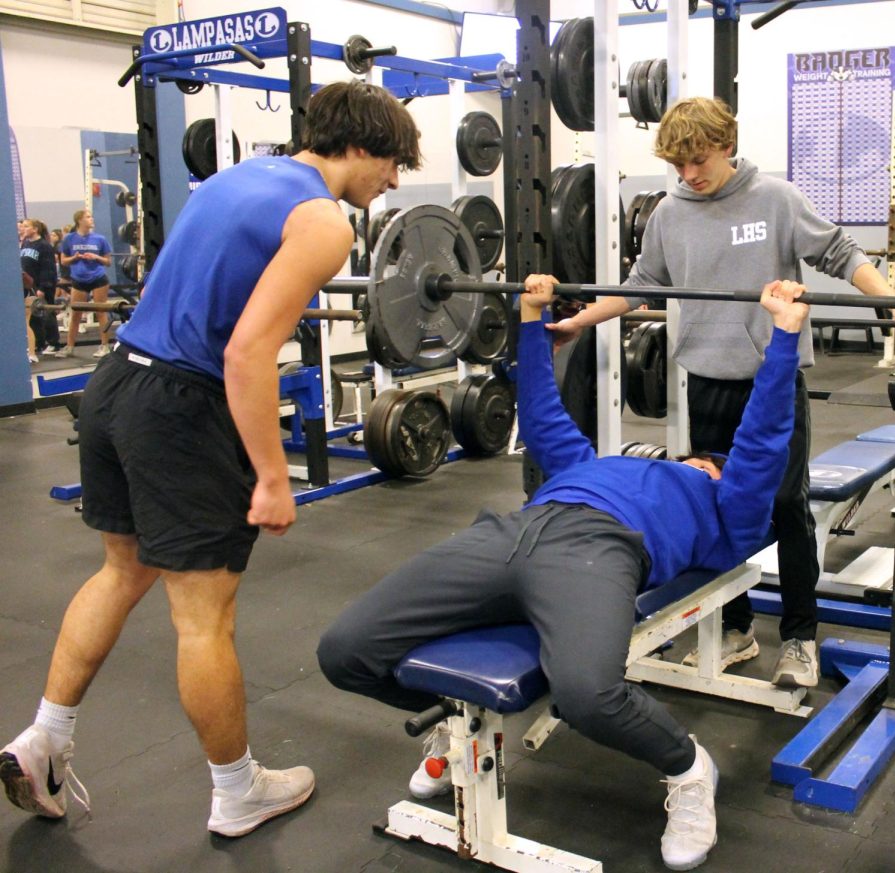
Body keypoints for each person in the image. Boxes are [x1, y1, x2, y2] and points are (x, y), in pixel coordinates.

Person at [0, 79, 422, 838]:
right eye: (392, 163)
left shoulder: (234, 177)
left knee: (121, 569)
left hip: (115, 382)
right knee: (203, 618)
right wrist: (270, 477)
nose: (393, 182)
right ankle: (238, 790)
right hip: (180, 408)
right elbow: (247, 352)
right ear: (361, 144)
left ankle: (44, 737)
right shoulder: (324, 222)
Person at [318, 276, 810, 871]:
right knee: (344, 651)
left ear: (714, 472)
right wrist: (529, 318)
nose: (690, 458)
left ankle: (688, 769)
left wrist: (784, 336)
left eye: (703, 460)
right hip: (509, 533)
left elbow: (761, 441)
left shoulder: (728, 505)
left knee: (587, 695)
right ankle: (453, 729)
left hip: (601, 550)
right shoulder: (591, 463)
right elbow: (543, 414)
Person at [543, 96, 895, 689]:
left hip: (773, 383)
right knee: (713, 510)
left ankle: (800, 639)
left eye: (699, 160)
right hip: (705, 383)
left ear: (727, 144)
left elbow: (840, 252)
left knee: (785, 509)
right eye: (679, 166)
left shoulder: (776, 198)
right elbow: (641, 286)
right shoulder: (669, 213)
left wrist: (886, 301)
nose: (690, 175)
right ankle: (735, 629)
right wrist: (581, 321)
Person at [59, 209, 113, 358]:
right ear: (79, 221)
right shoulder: (69, 239)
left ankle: (104, 346)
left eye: (91, 217)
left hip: (98, 279)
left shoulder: (100, 239)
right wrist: (75, 258)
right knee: (76, 313)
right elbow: (63, 261)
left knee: (100, 312)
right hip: (78, 280)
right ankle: (69, 346)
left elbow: (108, 262)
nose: (91, 219)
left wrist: (96, 257)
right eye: (88, 217)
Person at [20, 219, 62, 355]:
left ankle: (54, 343)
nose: (23, 228)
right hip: (29, 284)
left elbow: (48, 269)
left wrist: (42, 288)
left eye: (26, 226)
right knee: (32, 316)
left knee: (47, 313)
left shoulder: (44, 246)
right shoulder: (25, 243)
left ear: (35, 229)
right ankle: (39, 343)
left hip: (43, 285)